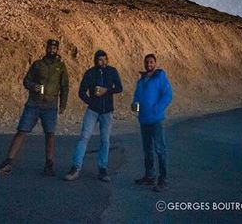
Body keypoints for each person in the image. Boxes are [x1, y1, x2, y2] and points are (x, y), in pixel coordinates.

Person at [0, 38, 69, 177]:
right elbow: (26, 80)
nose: (52, 50)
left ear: (57, 50)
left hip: (50, 104)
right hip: (34, 103)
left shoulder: (61, 67)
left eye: (54, 48)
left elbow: (64, 86)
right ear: (46, 48)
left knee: (50, 134)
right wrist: (33, 86)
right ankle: (8, 162)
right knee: (21, 131)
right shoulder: (37, 64)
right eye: (49, 47)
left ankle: (49, 164)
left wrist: (63, 104)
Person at [64, 49, 123, 182]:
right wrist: (91, 101)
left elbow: (119, 88)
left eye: (104, 59)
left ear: (107, 60)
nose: (102, 62)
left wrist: (106, 91)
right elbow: (81, 92)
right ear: (95, 61)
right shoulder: (90, 73)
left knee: (105, 140)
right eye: (99, 60)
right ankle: (76, 167)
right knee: (84, 137)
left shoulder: (112, 71)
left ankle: (102, 169)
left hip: (107, 111)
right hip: (93, 110)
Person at [132, 53, 173, 192]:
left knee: (160, 149)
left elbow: (168, 95)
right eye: (146, 62)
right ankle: (150, 176)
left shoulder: (160, 77)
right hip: (144, 119)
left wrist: (157, 108)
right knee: (147, 149)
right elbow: (136, 96)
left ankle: (163, 180)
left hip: (156, 119)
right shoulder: (141, 80)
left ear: (155, 63)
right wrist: (134, 104)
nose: (148, 64)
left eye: (151, 62)